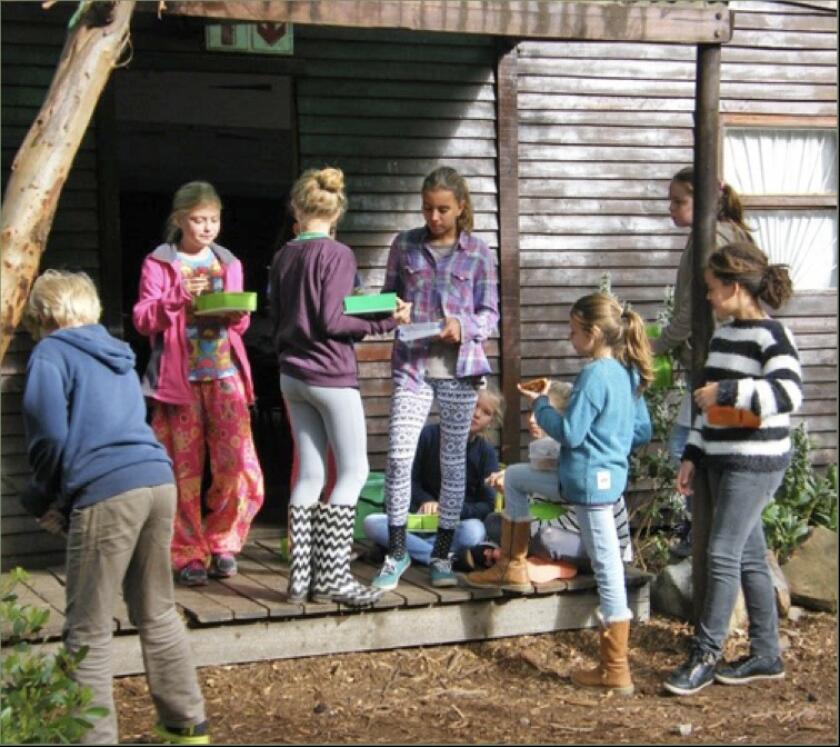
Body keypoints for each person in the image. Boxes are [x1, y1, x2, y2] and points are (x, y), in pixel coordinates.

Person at [19, 270, 208, 745]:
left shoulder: (50, 353)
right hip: (156, 479)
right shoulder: (118, 354)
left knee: (87, 629)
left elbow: (49, 436)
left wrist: (45, 497)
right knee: (158, 611)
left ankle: (92, 739)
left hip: (108, 491)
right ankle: (185, 727)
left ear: (42, 317)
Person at [466, 292, 653, 696]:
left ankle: (615, 668)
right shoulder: (623, 373)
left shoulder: (595, 375)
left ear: (594, 332)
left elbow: (570, 433)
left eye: (572, 331)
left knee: (607, 569)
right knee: (515, 478)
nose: (570, 339)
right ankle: (513, 567)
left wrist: (542, 407)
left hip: (587, 487)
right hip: (589, 479)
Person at [269, 167, 411, 607]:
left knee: (310, 474)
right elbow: (332, 320)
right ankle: (333, 578)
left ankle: (299, 581)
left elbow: (284, 314)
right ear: (336, 215)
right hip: (331, 374)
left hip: (291, 374)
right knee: (353, 472)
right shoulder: (338, 254)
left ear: (297, 209)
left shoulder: (284, 256)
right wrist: (389, 319)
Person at [663, 242, 801, 697]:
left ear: (736, 287)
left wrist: (727, 392)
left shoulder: (771, 335)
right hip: (721, 461)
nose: (707, 297)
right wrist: (692, 456)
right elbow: (708, 412)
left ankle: (705, 655)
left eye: (711, 288)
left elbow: (788, 395)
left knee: (720, 553)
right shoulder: (723, 337)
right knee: (745, 556)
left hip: (757, 464)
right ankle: (765, 654)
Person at [371, 165, 500, 590]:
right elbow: (387, 297)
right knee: (399, 457)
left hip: (460, 370)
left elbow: (490, 314)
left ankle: (443, 555)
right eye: (427, 209)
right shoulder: (405, 244)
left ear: (460, 207)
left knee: (452, 464)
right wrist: (394, 310)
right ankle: (395, 552)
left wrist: (463, 327)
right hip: (412, 366)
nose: (434, 218)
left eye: (443, 209)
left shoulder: (479, 252)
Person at [133, 181, 264, 587]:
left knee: (237, 464)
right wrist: (176, 297)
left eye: (213, 219)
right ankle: (187, 551)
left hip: (224, 376)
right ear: (179, 220)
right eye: (198, 219)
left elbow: (241, 323)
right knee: (181, 470)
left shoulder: (228, 261)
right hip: (179, 382)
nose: (207, 227)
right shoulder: (159, 262)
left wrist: (234, 313)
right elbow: (142, 319)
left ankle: (224, 540)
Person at [655, 166, 755, 556]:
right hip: (717, 361)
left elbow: (689, 311)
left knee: (710, 443)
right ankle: (706, 528)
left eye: (679, 200)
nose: (671, 208)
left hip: (721, 363)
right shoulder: (718, 232)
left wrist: (656, 347)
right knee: (708, 440)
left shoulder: (711, 238)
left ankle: (704, 529)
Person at [471, 381, 634, 575]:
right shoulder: (542, 453)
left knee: (546, 538)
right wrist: (511, 493)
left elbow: (574, 521)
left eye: (542, 413)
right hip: (554, 530)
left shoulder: (578, 457)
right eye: (532, 412)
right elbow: (543, 508)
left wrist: (519, 535)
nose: (532, 419)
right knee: (493, 522)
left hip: (595, 543)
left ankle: (552, 566)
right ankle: (532, 559)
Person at [363, 385, 502, 565]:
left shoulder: (486, 452)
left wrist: (450, 509)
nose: (477, 414)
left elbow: (487, 504)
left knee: (474, 532)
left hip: (455, 525)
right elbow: (408, 479)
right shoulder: (428, 435)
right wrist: (426, 500)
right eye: (474, 405)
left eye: (486, 412)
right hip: (418, 521)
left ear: (490, 421)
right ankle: (447, 559)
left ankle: (406, 550)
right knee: (372, 523)